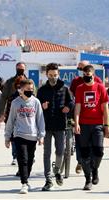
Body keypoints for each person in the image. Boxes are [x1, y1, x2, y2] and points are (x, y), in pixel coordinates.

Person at [4, 79, 45, 194]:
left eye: (31, 90)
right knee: (23, 159)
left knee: (30, 160)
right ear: (21, 89)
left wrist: (41, 135)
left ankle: (26, 179)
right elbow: (10, 120)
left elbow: (40, 119)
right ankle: (24, 183)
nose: (30, 91)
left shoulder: (36, 102)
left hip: (32, 135)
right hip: (19, 135)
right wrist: (7, 137)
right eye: (27, 89)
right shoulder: (15, 103)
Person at [37, 63, 72, 191]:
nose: (53, 78)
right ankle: (48, 179)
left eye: (55, 75)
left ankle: (57, 170)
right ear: (46, 75)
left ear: (59, 74)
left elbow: (71, 102)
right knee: (47, 153)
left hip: (60, 125)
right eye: (50, 75)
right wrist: (42, 106)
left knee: (60, 151)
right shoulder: (41, 90)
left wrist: (69, 107)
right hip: (46, 126)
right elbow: (36, 106)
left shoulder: (65, 88)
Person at [74, 65, 109, 190]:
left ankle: (95, 169)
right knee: (84, 153)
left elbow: (105, 108)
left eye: (88, 76)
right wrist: (77, 123)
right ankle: (87, 179)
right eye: (84, 75)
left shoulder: (100, 88)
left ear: (93, 75)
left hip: (98, 124)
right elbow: (77, 107)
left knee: (98, 151)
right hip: (84, 124)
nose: (86, 78)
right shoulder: (79, 88)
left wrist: (106, 125)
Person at [70, 60, 103, 174]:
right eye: (79, 69)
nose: (80, 71)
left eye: (82, 68)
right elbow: (71, 96)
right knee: (79, 141)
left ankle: (93, 166)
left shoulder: (97, 81)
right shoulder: (75, 82)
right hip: (79, 115)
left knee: (96, 147)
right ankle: (81, 161)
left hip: (95, 119)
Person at [4, 75, 26, 167]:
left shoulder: (31, 98)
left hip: (26, 124)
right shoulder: (12, 98)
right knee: (14, 140)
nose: (19, 88)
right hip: (15, 123)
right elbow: (8, 111)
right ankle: (15, 157)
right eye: (18, 86)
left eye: (21, 86)